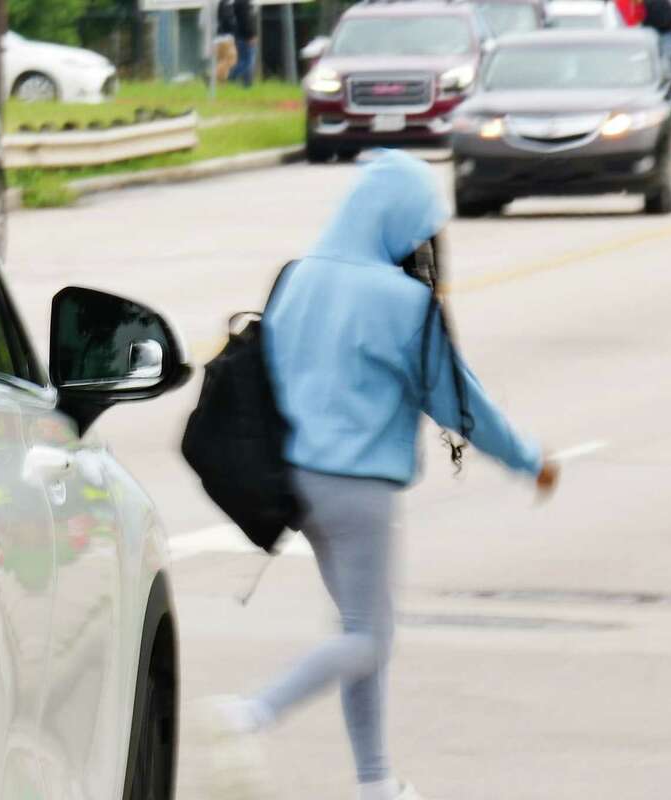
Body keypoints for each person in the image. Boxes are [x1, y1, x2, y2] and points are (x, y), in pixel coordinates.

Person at [199, 151, 559, 800]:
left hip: (297, 485)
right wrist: (529, 459)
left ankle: (374, 781)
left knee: (362, 630)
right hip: (358, 489)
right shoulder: (402, 302)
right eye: (421, 225)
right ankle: (250, 713)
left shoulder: (299, 277)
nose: (424, 241)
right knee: (369, 637)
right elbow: (458, 401)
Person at [228, 0, 258, 88]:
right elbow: (246, 20)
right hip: (245, 37)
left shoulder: (237, 3)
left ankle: (247, 83)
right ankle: (229, 77)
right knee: (248, 61)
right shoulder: (244, 3)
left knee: (243, 60)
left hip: (239, 35)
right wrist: (251, 35)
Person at [645, 0, 671, 66]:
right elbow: (668, 19)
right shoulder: (666, 4)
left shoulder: (647, 2)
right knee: (665, 59)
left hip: (651, 33)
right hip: (665, 33)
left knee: (652, 58)